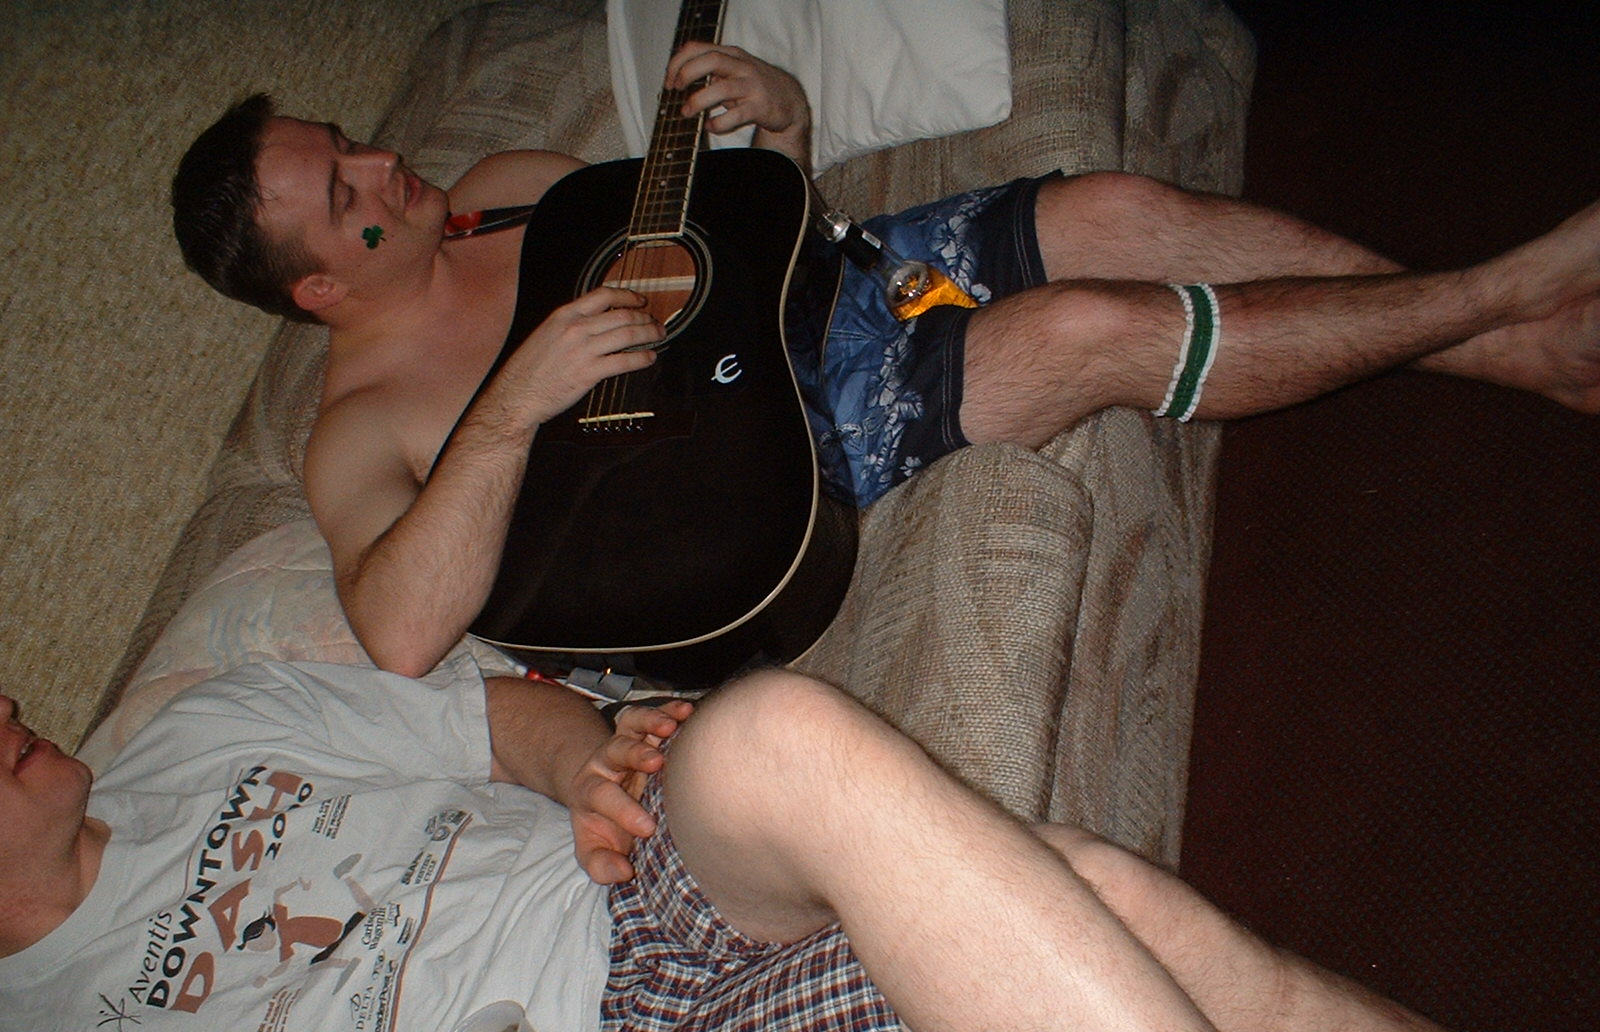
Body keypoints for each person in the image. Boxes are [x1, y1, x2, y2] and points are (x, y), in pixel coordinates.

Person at [171, 42, 1600, 679]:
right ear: (315, 288)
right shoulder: (358, 425)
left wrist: (784, 128)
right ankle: (1503, 293)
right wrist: (513, 410)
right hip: (791, 446)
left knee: (1112, 208)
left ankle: (1509, 350)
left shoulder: (504, 190)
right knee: (1088, 330)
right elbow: (401, 631)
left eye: (348, 140)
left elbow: (743, 234)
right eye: (346, 192)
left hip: (837, 290)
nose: (383, 162)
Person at [2, 652, 1598, 1032]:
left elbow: (489, 715)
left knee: (768, 728)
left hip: (642, 899)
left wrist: (587, 762)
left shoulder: (201, 731)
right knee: (1100, 912)